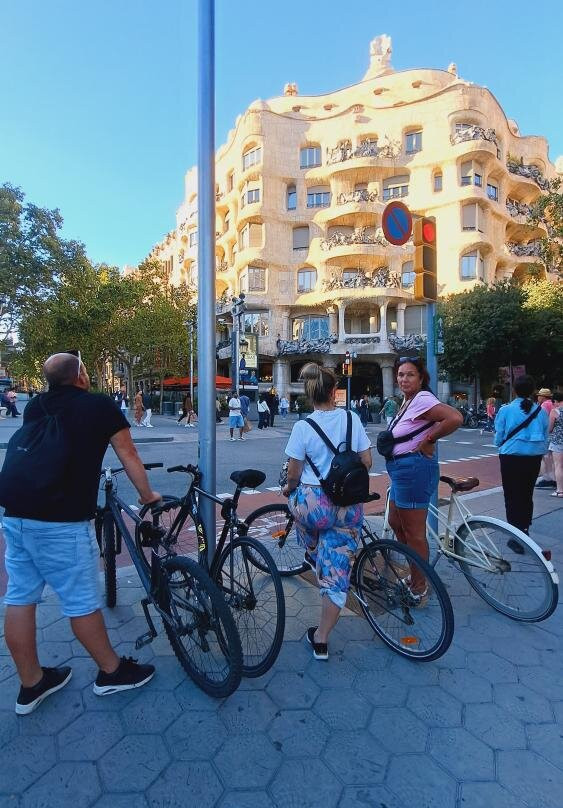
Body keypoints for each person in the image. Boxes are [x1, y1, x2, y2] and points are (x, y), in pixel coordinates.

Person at [0, 352, 160, 715]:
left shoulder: (35, 407)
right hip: (60, 523)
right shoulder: (99, 405)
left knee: (20, 598)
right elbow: (128, 453)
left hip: (16, 516)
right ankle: (112, 672)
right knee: (80, 600)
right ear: (81, 376)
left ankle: (32, 683)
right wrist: (147, 495)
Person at [282, 363, 372, 660]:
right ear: (335, 391)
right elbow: (367, 462)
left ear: (309, 394)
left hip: (314, 507)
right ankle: (321, 639)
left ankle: (311, 549)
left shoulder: (302, 427)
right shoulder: (352, 419)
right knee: (336, 576)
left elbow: (293, 474)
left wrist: (288, 489)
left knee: (294, 502)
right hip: (348, 507)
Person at [386, 358, 463, 597]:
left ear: (421, 379)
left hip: (413, 470)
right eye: (400, 375)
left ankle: (419, 587)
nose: (403, 379)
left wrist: (429, 440)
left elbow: (455, 418)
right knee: (396, 523)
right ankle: (416, 573)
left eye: (410, 375)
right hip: (402, 471)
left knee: (414, 533)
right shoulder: (408, 401)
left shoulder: (422, 399)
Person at [494, 374, 549, 534]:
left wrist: (500, 444)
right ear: (533, 391)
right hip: (533, 457)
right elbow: (545, 435)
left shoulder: (506, 410)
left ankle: (514, 530)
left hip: (510, 456)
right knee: (527, 492)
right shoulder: (541, 411)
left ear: (514, 390)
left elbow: (499, 435)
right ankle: (524, 527)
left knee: (511, 494)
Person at [535, 388, 556, 489]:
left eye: (539, 396)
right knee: (552, 458)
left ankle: (548, 478)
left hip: (546, 434)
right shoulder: (553, 403)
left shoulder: (544, 405)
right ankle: (554, 478)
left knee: (545, 457)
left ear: (543, 397)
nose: (538, 398)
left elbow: (541, 420)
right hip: (555, 435)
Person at [547, 391, 563, 498]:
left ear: (556, 401)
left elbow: (550, 428)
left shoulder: (555, 411)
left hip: (558, 442)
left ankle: (560, 490)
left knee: (559, 466)